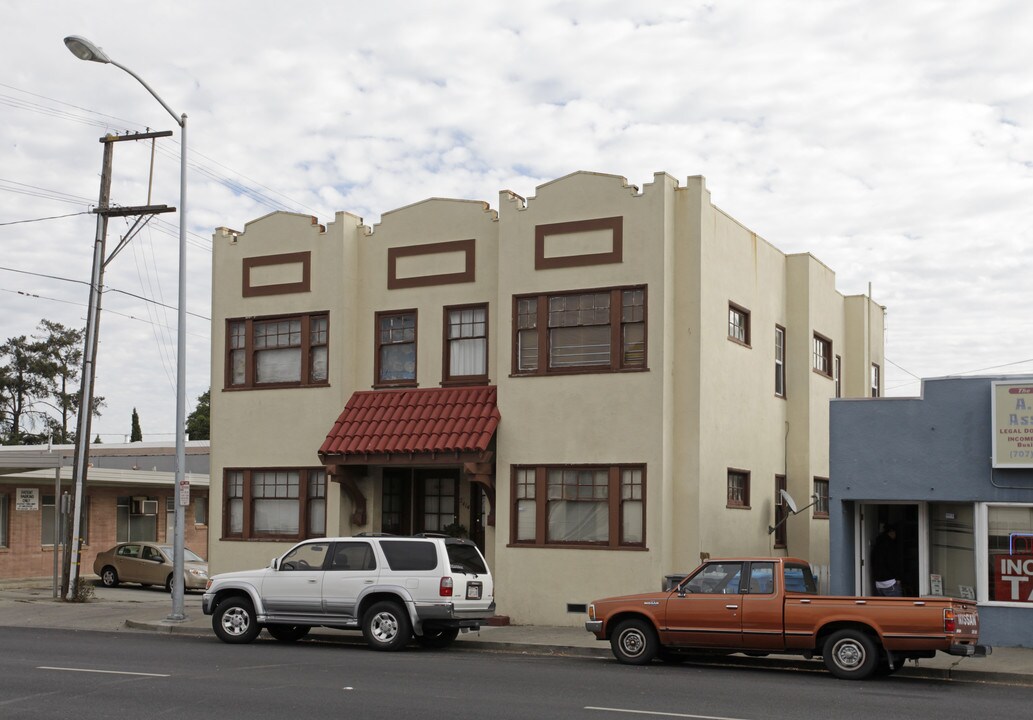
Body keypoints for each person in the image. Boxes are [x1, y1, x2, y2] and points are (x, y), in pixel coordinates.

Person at [871, 524, 903, 596]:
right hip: (890, 582)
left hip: (878, 583)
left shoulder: (877, 545)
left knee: (882, 606)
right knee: (896, 606)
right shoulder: (890, 546)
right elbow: (892, 563)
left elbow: (873, 562)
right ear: (892, 532)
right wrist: (898, 577)